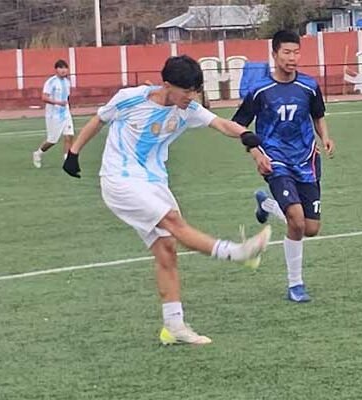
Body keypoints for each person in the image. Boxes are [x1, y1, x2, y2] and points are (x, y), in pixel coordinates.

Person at [62, 55, 272, 345]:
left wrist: (249, 139)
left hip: (154, 182)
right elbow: (99, 119)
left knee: (167, 250)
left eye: (195, 90)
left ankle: (173, 326)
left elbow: (223, 125)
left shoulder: (188, 110)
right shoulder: (130, 99)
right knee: (173, 222)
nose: (191, 97)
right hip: (120, 180)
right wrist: (73, 153)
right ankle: (236, 253)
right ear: (167, 85)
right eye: (186, 90)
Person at [232, 31, 335, 303]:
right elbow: (238, 125)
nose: (292, 57)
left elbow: (318, 115)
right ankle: (295, 284)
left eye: (296, 52)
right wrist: (256, 153)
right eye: (287, 52)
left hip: (306, 160)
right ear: (275, 54)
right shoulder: (260, 91)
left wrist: (324, 137)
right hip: (275, 159)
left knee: (311, 228)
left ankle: (266, 205)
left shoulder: (309, 86)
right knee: (297, 221)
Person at [33, 59, 74, 168]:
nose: (63, 70)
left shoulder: (67, 82)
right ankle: (38, 153)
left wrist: (67, 105)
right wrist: (58, 103)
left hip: (65, 113)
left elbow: (67, 97)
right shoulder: (51, 82)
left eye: (65, 68)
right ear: (56, 70)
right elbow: (44, 97)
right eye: (61, 68)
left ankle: (67, 160)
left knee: (69, 136)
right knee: (52, 140)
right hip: (53, 115)